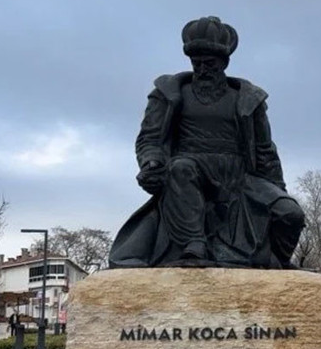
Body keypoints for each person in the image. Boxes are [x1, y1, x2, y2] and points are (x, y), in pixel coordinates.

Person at [109, 17, 305, 269]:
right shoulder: (168, 93)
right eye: (196, 63)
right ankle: (194, 244)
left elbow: (265, 151)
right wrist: (151, 162)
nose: (202, 69)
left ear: (224, 63)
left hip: (239, 176)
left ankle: (276, 260)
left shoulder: (248, 99)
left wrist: (278, 191)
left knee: (291, 214)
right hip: (189, 171)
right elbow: (150, 139)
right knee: (180, 168)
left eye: (209, 63)